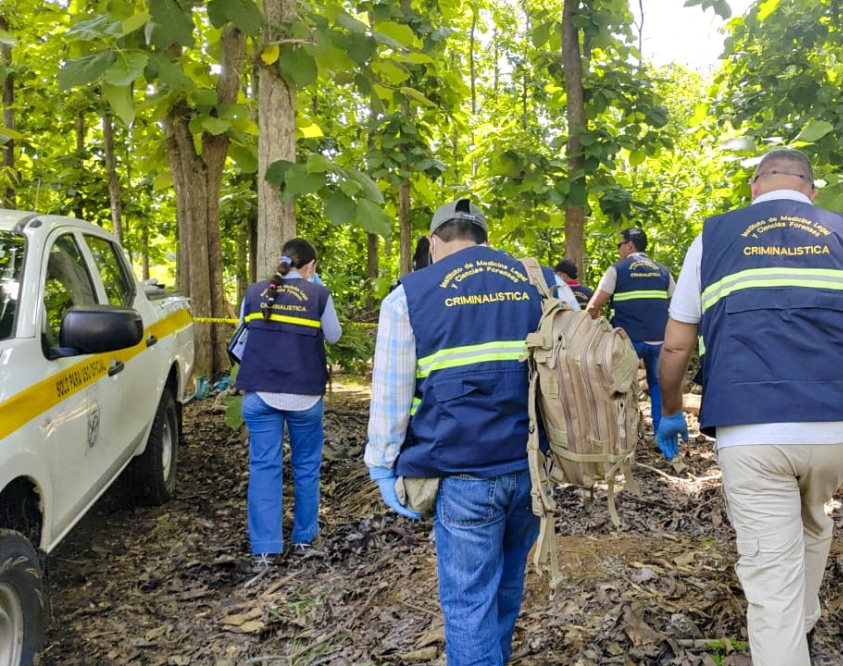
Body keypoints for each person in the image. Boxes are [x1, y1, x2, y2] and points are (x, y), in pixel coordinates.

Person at [655, 148, 843, 666]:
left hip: (752, 435)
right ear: (811, 191)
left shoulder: (714, 237)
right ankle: (800, 627)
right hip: (840, 431)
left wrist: (668, 409)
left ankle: (786, 636)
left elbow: (675, 348)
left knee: (770, 583)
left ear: (755, 187)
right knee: (813, 517)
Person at [365, 198, 574, 666]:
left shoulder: (409, 296)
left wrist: (381, 462)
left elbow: (393, 392)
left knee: (467, 603)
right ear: (485, 240)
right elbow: (573, 367)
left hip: (460, 474)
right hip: (531, 467)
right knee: (505, 585)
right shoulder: (544, 283)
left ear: (434, 244)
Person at [235, 239, 343, 572]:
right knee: (306, 466)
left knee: (264, 467)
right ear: (311, 266)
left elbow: (244, 331)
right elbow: (334, 336)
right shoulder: (319, 296)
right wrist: (316, 291)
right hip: (305, 396)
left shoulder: (255, 293)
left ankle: (265, 551)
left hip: (260, 394)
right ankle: (304, 540)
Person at [585, 227, 675, 431]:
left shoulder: (617, 269)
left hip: (628, 342)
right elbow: (678, 305)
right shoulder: (663, 271)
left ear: (629, 245)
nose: (618, 250)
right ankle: (662, 437)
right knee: (658, 388)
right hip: (659, 341)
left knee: (621, 389)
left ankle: (626, 436)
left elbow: (592, 307)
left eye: (620, 245)